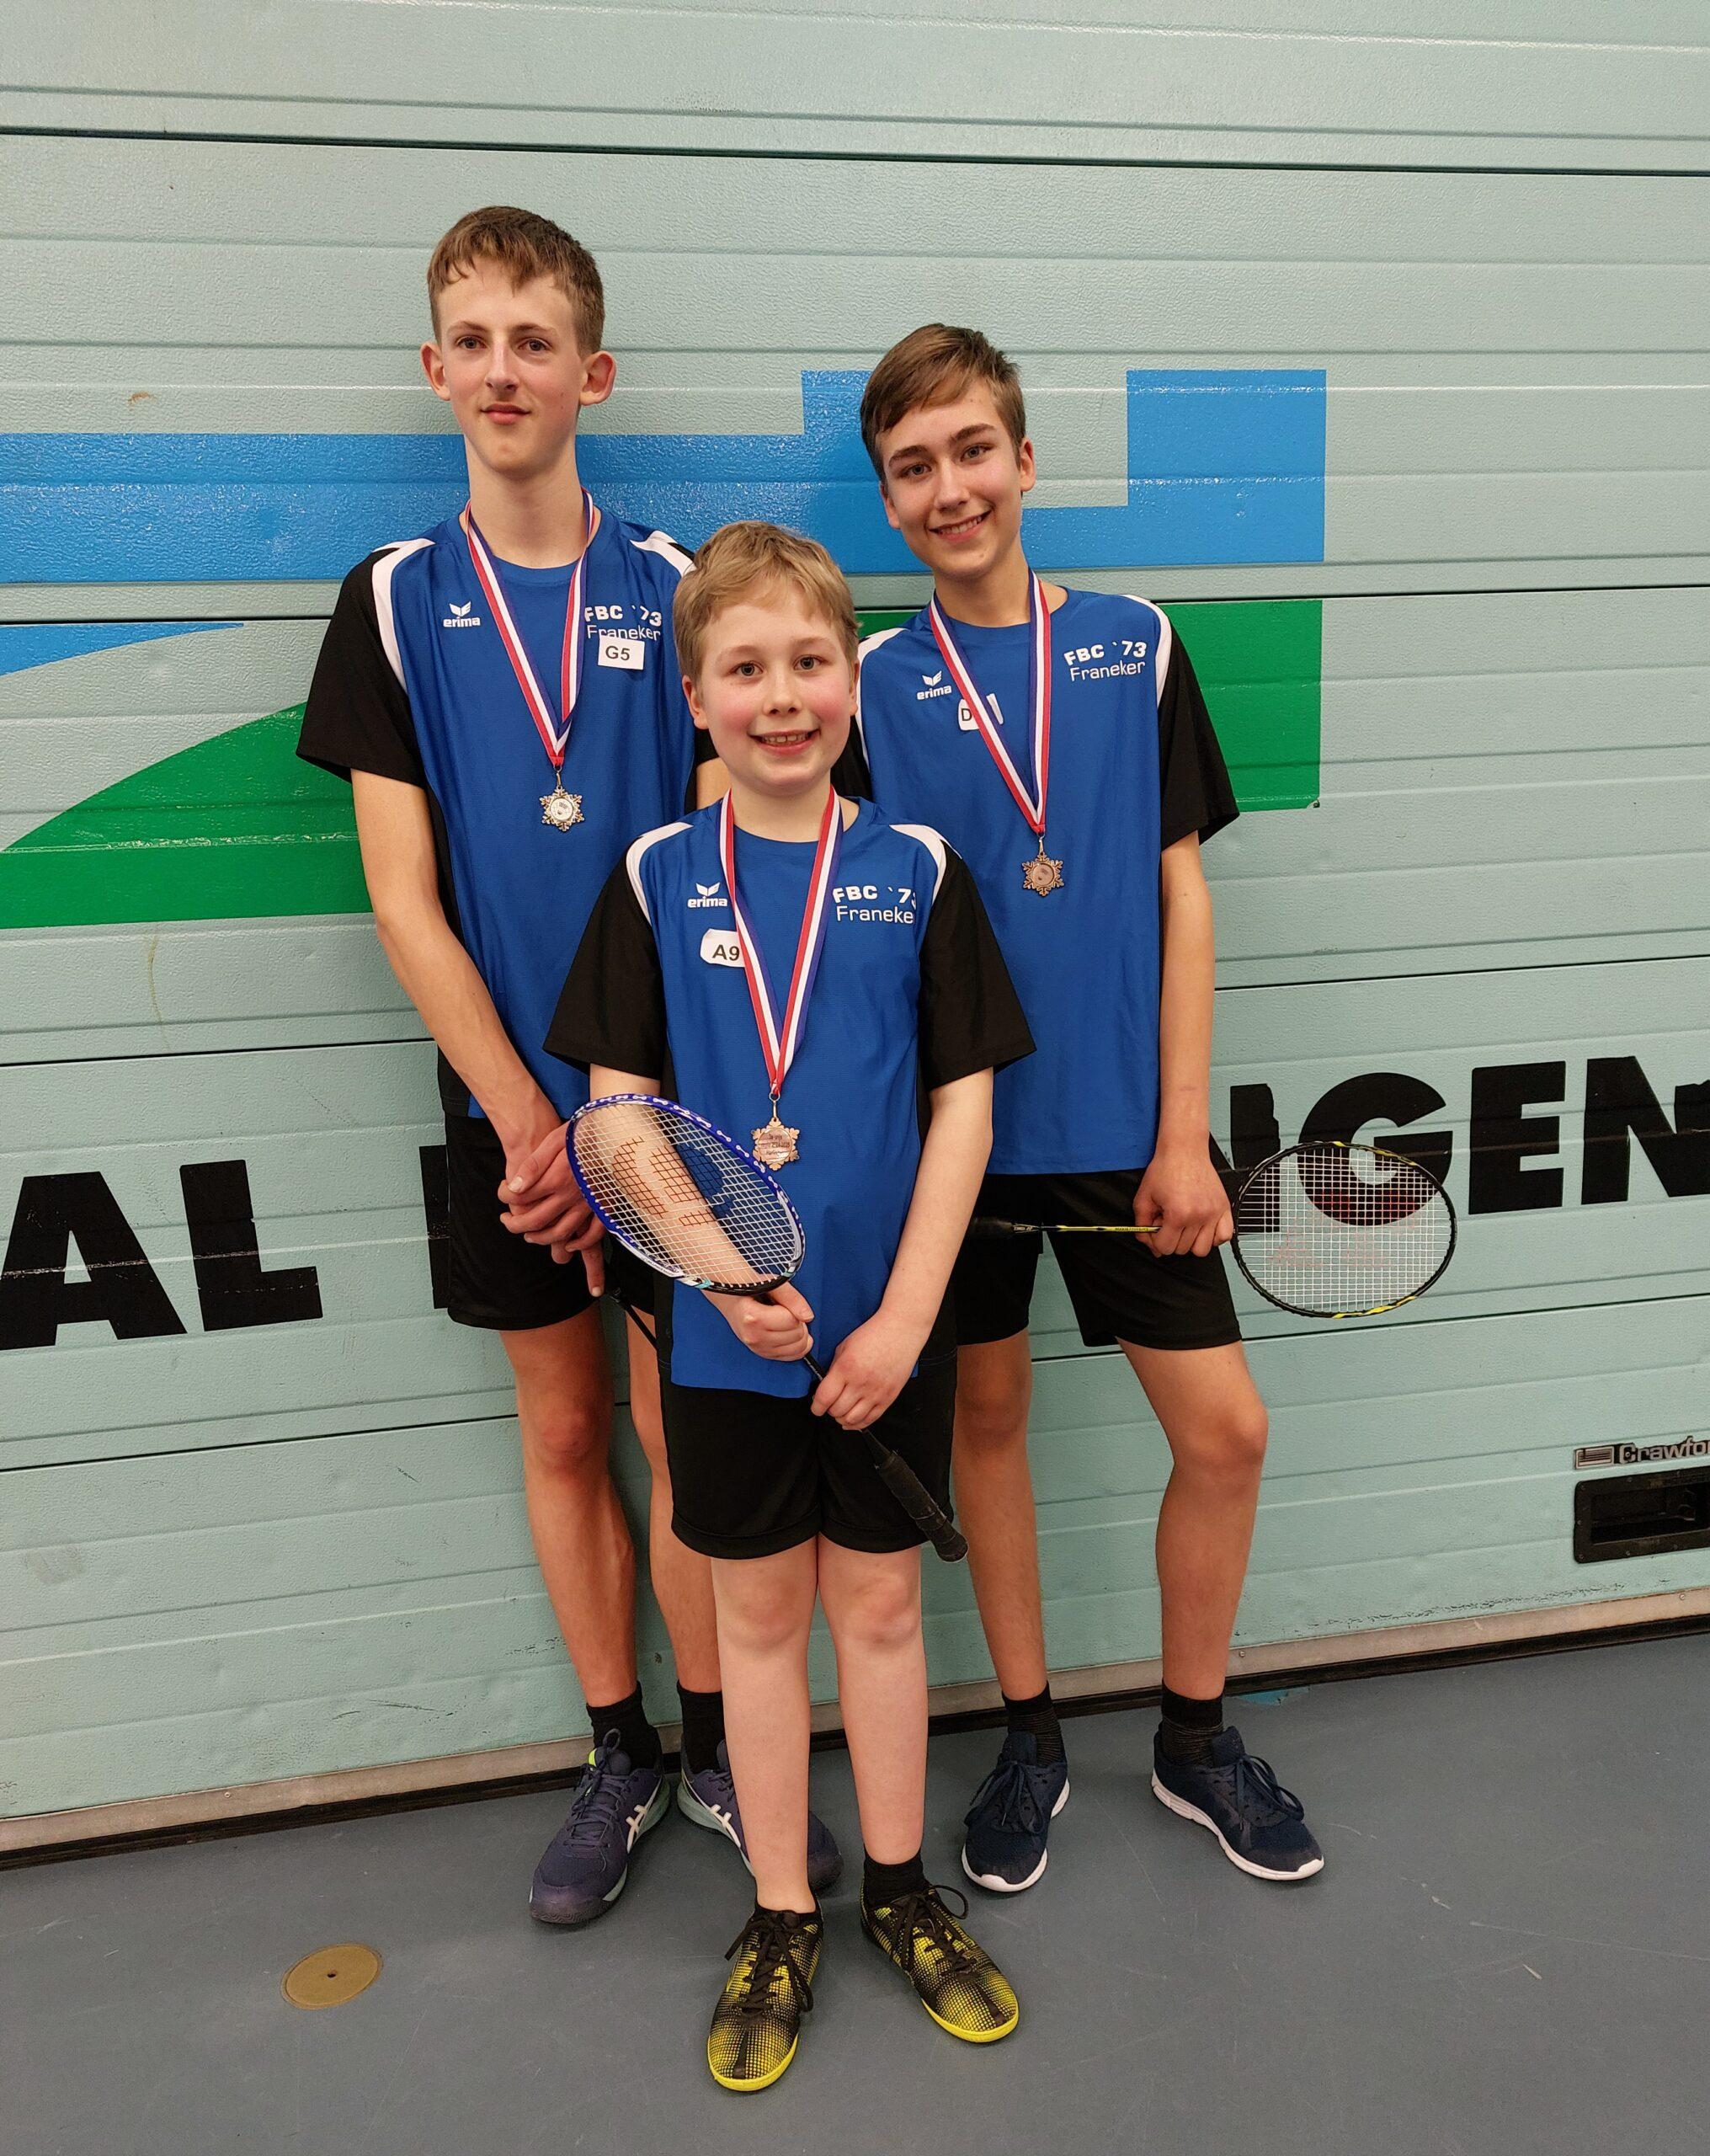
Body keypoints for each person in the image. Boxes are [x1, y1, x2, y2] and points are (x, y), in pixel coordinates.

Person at [297, 205, 841, 1928]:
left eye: (534, 341)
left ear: (591, 374)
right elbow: (403, 900)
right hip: (507, 1116)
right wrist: (532, 1124)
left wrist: (617, 1128)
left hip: (666, 1113)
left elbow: (720, 867)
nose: (503, 370)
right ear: (434, 368)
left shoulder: (681, 591)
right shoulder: (392, 603)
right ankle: (616, 1750)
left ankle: (717, 1746)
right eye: (473, 339)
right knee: (558, 1426)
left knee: (682, 1435)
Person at [545, 521, 1035, 2090]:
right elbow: (618, 1122)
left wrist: (904, 1320)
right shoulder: (651, 876)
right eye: (744, 668)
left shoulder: (921, 871)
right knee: (757, 1626)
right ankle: (780, 1909)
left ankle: (897, 1888)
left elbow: (964, 1109)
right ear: (695, 697)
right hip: (721, 1343)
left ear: (849, 686)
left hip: (890, 1338)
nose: (781, 696)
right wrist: (730, 1277)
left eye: (810, 662)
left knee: (881, 1614)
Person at [844, 323, 1324, 1895]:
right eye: (913, 467)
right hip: (958, 1146)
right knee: (988, 1423)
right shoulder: (868, 685)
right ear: (888, 501)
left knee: (1228, 1433)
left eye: (972, 450)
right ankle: (1031, 1736)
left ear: (1026, 460)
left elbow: (1182, 900)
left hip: (1129, 1135)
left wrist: (1184, 1134)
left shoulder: (1137, 644)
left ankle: (1194, 1738)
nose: (949, 488)